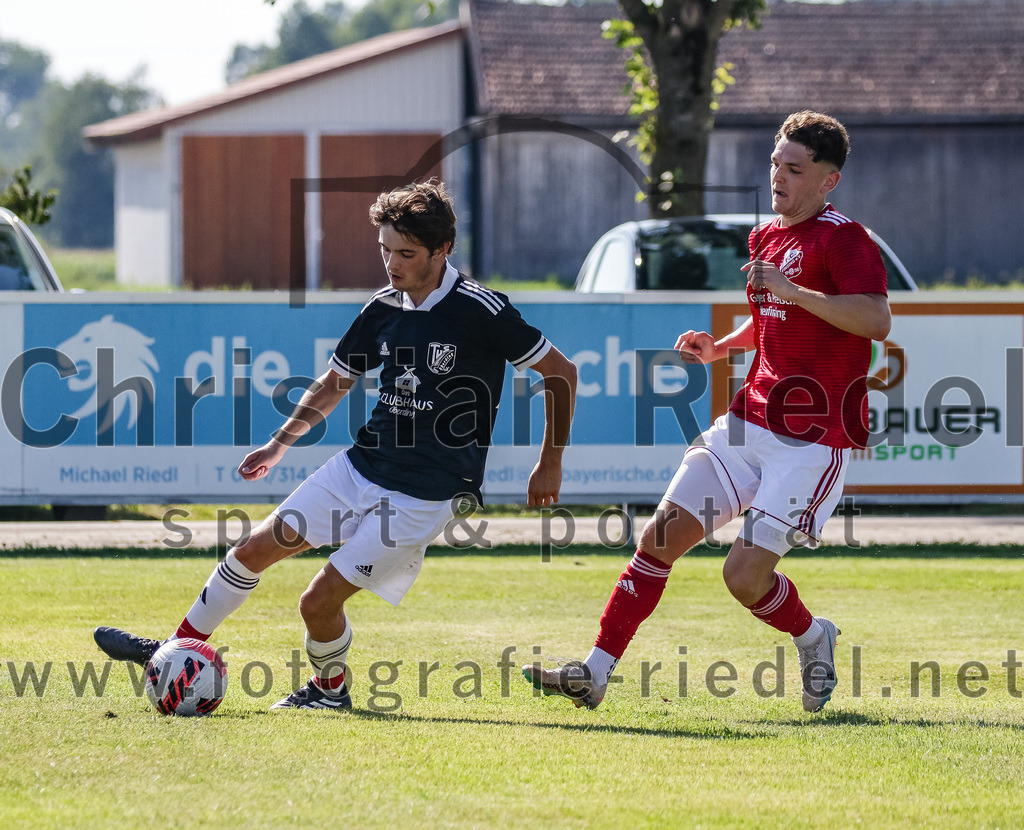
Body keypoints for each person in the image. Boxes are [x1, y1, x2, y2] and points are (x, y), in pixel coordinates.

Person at [94, 179, 577, 710]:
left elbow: (562, 373)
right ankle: (175, 649)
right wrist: (279, 443)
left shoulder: (481, 309)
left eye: (406, 254)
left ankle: (329, 692)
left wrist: (549, 461)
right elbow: (335, 382)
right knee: (250, 552)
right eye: (385, 249)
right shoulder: (383, 307)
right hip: (361, 466)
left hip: (426, 493)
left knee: (317, 603)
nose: (391, 264)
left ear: (442, 249)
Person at [523, 111, 890, 713]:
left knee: (743, 578)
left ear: (830, 180)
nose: (779, 177)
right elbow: (770, 321)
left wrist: (794, 291)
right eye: (775, 163)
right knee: (658, 538)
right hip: (747, 423)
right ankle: (594, 673)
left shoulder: (845, 239)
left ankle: (812, 636)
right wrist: (720, 347)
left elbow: (876, 319)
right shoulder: (765, 236)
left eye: (795, 169)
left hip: (812, 439)